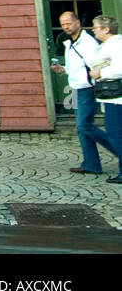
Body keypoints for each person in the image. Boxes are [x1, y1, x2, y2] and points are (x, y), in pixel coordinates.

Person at [50, 10, 116, 175]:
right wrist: (63, 69)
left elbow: (99, 64)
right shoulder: (70, 42)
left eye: (68, 23)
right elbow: (77, 68)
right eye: (63, 24)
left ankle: (118, 149)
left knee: (84, 125)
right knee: (82, 128)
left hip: (88, 88)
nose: (66, 27)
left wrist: (96, 78)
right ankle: (91, 164)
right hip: (77, 87)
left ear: (78, 23)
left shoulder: (87, 43)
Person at [86, 15, 122, 184]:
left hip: (116, 98)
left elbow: (119, 69)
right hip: (111, 97)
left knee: (116, 134)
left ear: (106, 29)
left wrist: (100, 73)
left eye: (96, 27)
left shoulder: (116, 44)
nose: (93, 30)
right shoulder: (109, 45)